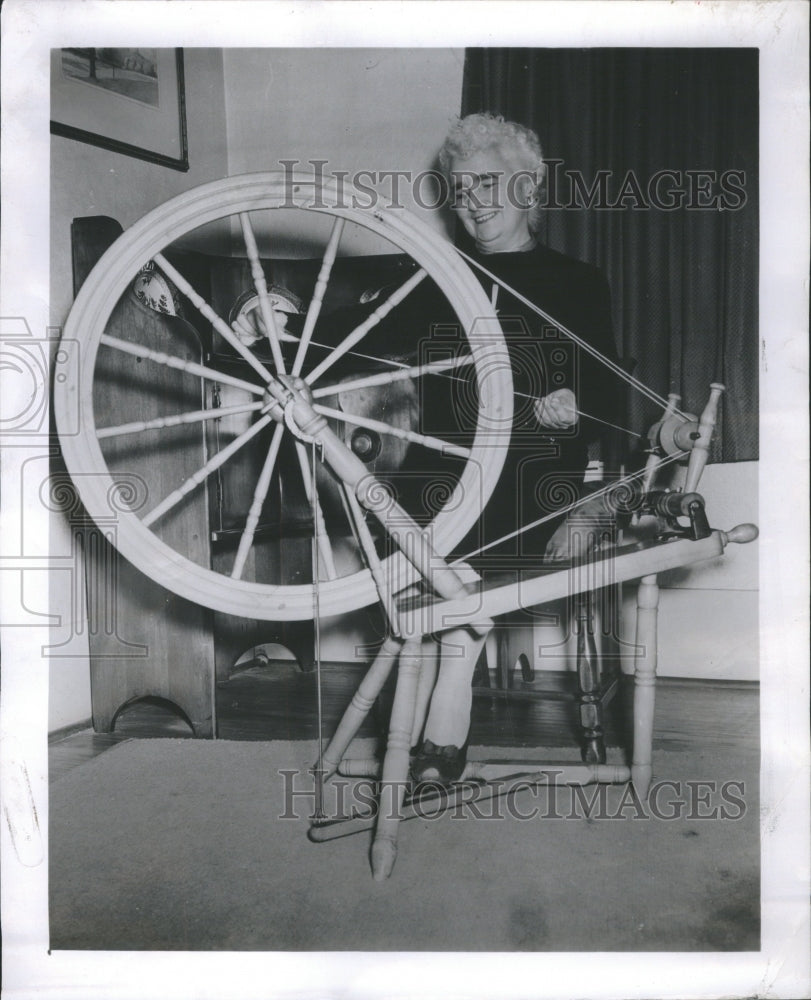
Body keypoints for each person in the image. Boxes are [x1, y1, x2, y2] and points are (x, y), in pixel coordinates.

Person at [411, 112, 620, 784]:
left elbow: (607, 400)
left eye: (488, 184)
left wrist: (571, 409)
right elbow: (411, 385)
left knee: (464, 541)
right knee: (434, 508)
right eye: (461, 188)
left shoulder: (578, 282)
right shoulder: (436, 278)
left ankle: (441, 731)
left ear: (528, 188)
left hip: (533, 464)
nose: (473, 202)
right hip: (444, 456)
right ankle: (440, 724)